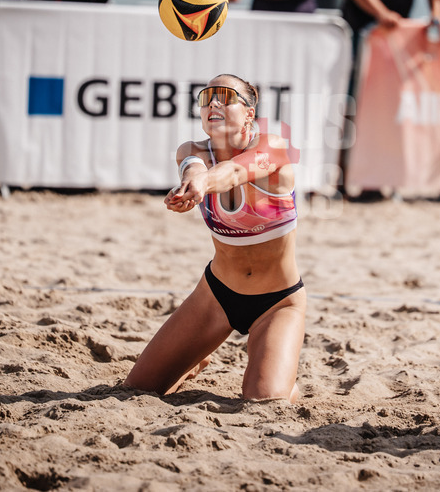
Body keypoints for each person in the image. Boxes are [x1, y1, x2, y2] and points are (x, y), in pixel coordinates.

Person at [124, 74, 305, 401]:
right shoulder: (191, 150)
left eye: (225, 96)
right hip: (215, 295)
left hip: (278, 301)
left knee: (265, 400)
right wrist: (191, 182)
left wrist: (203, 184)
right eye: (207, 97)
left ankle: (285, 379)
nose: (214, 103)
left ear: (249, 113)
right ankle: (196, 359)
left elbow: (234, 171)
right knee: (137, 390)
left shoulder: (273, 147)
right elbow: (193, 167)